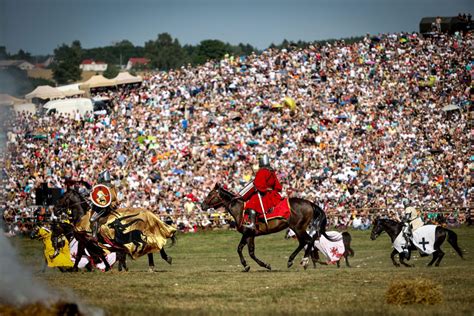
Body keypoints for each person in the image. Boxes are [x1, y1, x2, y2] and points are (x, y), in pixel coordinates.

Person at [241, 154, 283, 233]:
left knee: (251, 203)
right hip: (273, 194)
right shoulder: (271, 171)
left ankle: (253, 224)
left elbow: (258, 184)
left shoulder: (262, 171)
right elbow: (277, 186)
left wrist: (258, 186)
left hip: (265, 194)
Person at [90, 169, 119, 238]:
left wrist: (114, 203)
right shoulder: (101, 187)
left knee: (93, 219)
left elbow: (114, 199)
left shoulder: (110, 187)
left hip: (105, 207)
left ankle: (94, 236)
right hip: (102, 205)